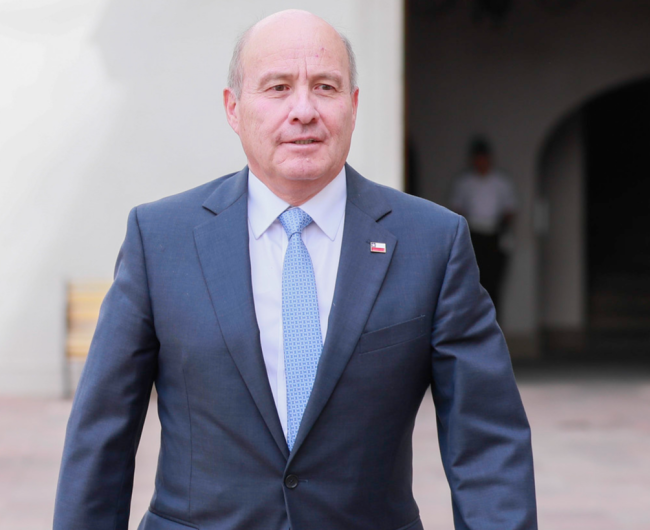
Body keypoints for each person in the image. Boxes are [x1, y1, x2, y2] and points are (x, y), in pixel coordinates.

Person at [53, 11, 536, 530]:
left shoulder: (432, 243)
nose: (303, 110)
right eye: (278, 87)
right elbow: (101, 436)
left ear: (353, 105)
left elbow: (487, 442)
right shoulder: (160, 239)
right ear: (233, 107)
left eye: (325, 87)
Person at [450, 137, 517, 314]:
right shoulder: (464, 182)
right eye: (477, 159)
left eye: (483, 158)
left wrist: (501, 228)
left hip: (494, 235)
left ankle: (494, 320)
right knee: (473, 280)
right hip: (474, 235)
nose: (480, 162)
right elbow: (457, 209)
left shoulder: (501, 181)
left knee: (493, 282)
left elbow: (510, 209)